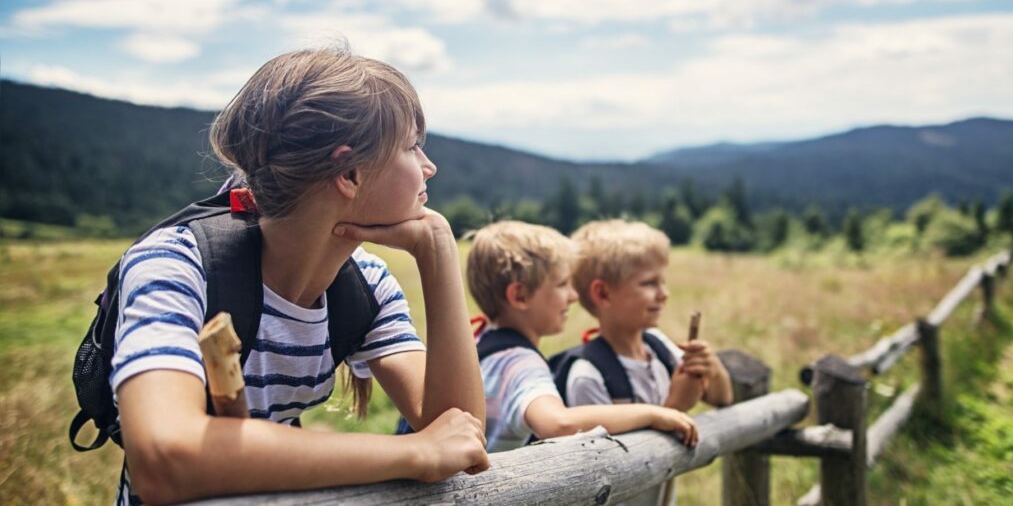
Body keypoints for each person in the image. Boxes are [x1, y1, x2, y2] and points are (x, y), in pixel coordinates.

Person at [112, 45, 488, 505]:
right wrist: (410, 452)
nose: (430, 166)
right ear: (349, 172)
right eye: (412, 146)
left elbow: (460, 433)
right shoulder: (176, 265)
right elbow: (162, 457)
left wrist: (437, 251)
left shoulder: (365, 284)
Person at [466, 221, 698, 453]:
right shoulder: (520, 364)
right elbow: (558, 423)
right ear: (520, 295)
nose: (574, 296)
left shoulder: (475, 344)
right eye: (563, 284)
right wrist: (654, 413)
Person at [568, 219, 734, 504]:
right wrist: (676, 406)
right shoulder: (588, 375)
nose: (663, 293)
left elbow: (723, 398)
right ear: (603, 293)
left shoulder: (659, 346)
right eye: (649, 283)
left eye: (663, 281)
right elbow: (613, 467)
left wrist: (710, 368)